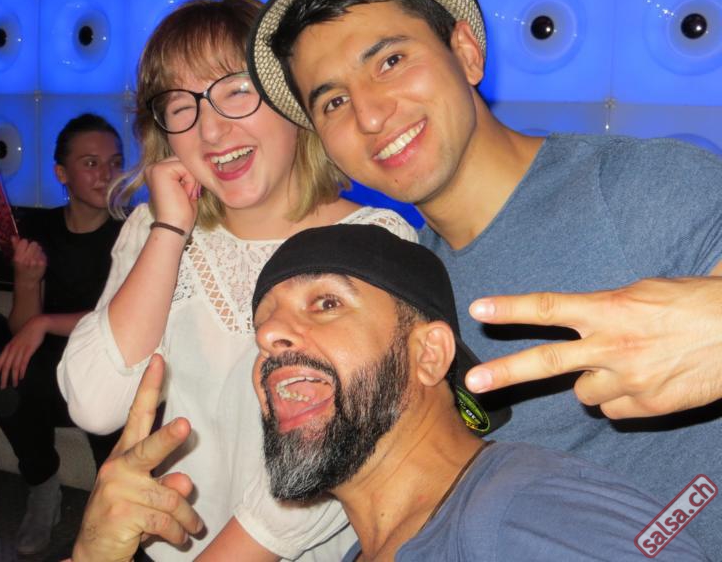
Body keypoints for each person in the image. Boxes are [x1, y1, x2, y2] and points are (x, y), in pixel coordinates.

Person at [247, 0, 722, 556]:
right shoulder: (406, 293)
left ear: (467, 54)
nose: (369, 115)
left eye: (390, 61)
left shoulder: (633, 188)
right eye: (335, 101)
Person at [70, 225, 709, 561]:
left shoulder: (521, 513)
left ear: (428, 354)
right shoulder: (377, 546)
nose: (270, 338)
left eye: (326, 303)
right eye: (263, 327)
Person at [57, 0, 423, 561]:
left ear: (290, 96)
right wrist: (169, 231)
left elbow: (343, 453)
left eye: (236, 91)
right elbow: (94, 404)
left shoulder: (373, 242)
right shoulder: (153, 231)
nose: (211, 130)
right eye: (180, 105)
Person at [0, 112, 125, 555]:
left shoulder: (132, 231)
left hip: (111, 355)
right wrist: (27, 282)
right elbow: (20, 326)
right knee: (6, 381)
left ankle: (112, 510)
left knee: (104, 389)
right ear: (61, 174)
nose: (106, 174)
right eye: (90, 163)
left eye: (115, 162)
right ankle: (43, 486)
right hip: (52, 363)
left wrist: (44, 323)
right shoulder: (39, 230)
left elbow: (120, 317)